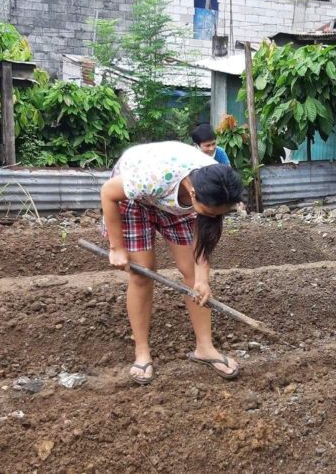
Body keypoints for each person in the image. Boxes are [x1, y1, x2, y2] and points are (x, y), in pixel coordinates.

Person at [100, 141, 244, 385]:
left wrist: (202, 280)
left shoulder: (216, 186)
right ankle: (142, 352)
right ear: (193, 193)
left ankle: (205, 348)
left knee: (192, 274)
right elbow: (108, 192)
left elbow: (203, 238)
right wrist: (116, 247)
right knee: (142, 273)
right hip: (134, 198)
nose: (214, 218)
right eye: (211, 213)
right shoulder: (152, 177)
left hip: (175, 204)